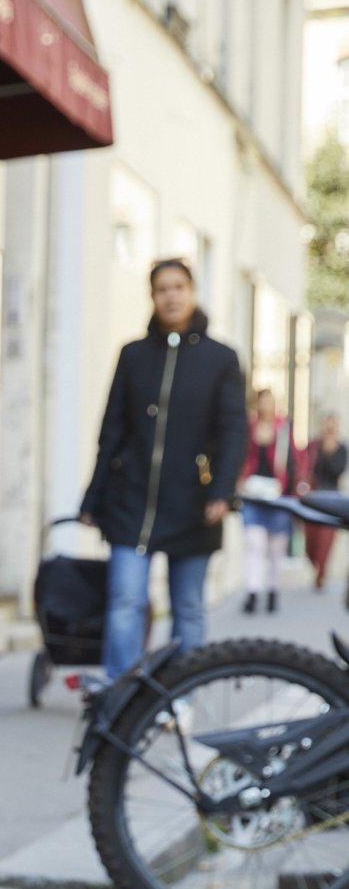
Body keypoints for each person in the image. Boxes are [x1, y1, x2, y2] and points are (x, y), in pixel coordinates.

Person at [81, 258, 246, 679]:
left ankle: (181, 695)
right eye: (161, 288)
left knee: (187, 606)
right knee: (125, 600)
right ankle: (120, 695)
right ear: (152, 297)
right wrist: (94, 495)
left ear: (192, 292)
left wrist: (221, 492)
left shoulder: (221, 359)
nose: (170, 295)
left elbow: (232, 432)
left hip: (193, 501)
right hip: (131, 500)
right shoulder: (133, 355)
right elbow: (111, 430)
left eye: (178, 286)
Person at [238, 388, 298, 615]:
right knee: (254, 544)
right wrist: (240, 479)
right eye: (263, 401)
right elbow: (242, 455)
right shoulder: (249, 427)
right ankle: (253, 592)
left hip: (278, 494)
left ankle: (273, 590)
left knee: (276, 548)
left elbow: (293, 458)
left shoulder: (284, 427)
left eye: (270, 402)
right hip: (253, 494)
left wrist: (288, 485)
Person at [300, 411, 346, 592]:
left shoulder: (341, 448)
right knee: (311, 542)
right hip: (313, 497)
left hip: (333, 500)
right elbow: (305, 467)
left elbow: (338, 470)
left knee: (326, 540)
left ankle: (322, 572)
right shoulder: (313, 446)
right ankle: (315, 564)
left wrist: (330, 447)